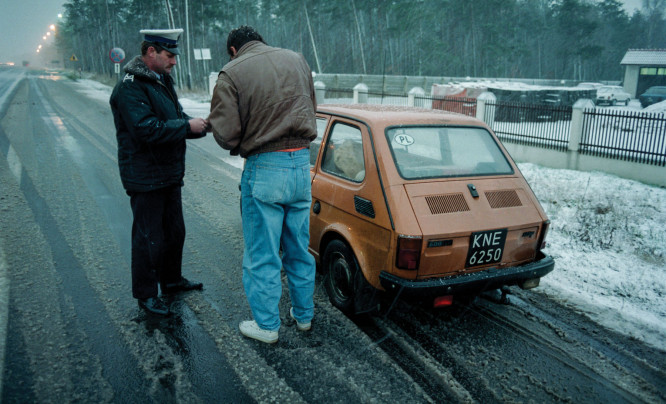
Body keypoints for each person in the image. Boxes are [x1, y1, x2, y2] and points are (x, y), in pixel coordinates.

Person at [209, 26, 317, 343]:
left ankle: (267, 326)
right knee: (299, 248)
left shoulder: (231, 72)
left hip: (265, 166)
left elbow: (226, 133)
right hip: (300, 163)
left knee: (262, 254)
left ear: (233, 50)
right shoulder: (297, 60)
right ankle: (303, 316)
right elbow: (311, 105)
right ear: (260, 41)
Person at [110, 28, 208, 316]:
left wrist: (197, 125)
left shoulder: (161, 80)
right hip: (144, 175)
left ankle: (171, 280)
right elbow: (145, 129)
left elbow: (175, 117)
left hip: (168, 173)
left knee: (174, 232)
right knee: (148, 237)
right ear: (151, 52)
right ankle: (146, 294)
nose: (174, 61)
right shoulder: (130, 86)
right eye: (169, 55)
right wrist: (186, 127)